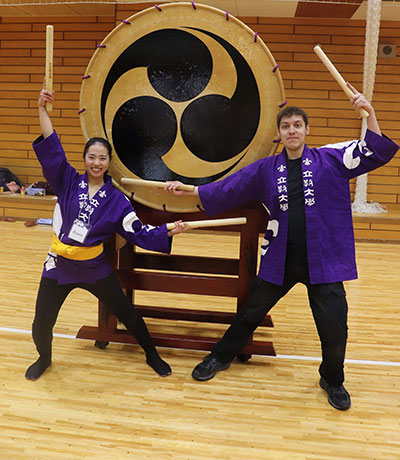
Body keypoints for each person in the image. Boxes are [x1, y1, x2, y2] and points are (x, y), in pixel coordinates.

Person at [165, 83, 399, 410]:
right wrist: (191, 191)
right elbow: (229, 187)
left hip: (323, 261)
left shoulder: (330, 159)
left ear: (306, 130)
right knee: (249, 314)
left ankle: (332, 379)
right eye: (286, 126)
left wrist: (370, 112)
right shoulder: (266, 169)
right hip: (281, 258)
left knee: (335, 329)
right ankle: (219, 357)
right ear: (279, 133)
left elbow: (373, 150)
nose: (292, 131)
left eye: (297, 125)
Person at [25, 83, 187, 381]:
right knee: (40, 323)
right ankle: (44, 358)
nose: (96, 163)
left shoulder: (117, 201)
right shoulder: (67, 181)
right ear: (85, 159)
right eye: (91, 157)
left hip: (93, 267)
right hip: (58, 264)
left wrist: (168, 230)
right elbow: (52, 147)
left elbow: (137, 230)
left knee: (126, 312)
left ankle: (151, 353)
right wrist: (40, 109)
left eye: (102, 158)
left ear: (108, 162)